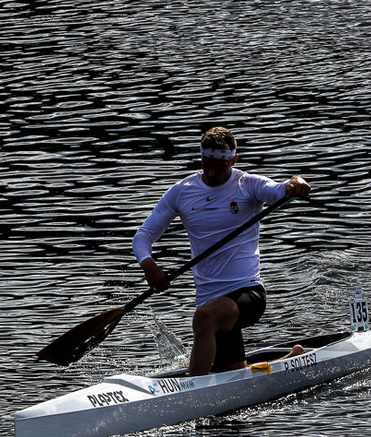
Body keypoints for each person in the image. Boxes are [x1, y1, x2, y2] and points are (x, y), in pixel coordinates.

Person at [133, 126, 310, 375]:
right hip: (210, 300)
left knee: (204, 318)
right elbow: (144, 236)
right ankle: (290, 359)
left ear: (233, 160)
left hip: (247, 294)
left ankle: (191, 394)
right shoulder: (182, 192)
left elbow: (278, 190)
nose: (213, 171)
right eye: (207, 163)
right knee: (233, 372)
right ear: (201, 157)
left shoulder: (248, 185)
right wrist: (148, 264)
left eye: (220, 164)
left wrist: (295, 183)